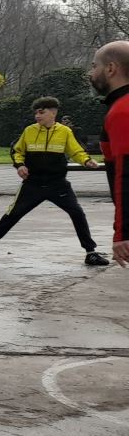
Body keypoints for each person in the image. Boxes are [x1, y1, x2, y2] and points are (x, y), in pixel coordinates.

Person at [0, 96, 107, 266]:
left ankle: (91, 253)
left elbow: (76, 151)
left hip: (58, 184)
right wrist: (19, 165)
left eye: (41, 112)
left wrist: (86, 161)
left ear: (53, 113)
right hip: (33, 184)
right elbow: (17, 151)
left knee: (77, 213)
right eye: (36, 113)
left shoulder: (65, 132)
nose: (37, 116)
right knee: (14, 214)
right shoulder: (29, 131)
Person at [89, 40, 129, 267]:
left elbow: (126, 173)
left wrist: (122, 233)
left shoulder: (122, 111)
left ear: (111, 68)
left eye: (95, 66)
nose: (91, 73)